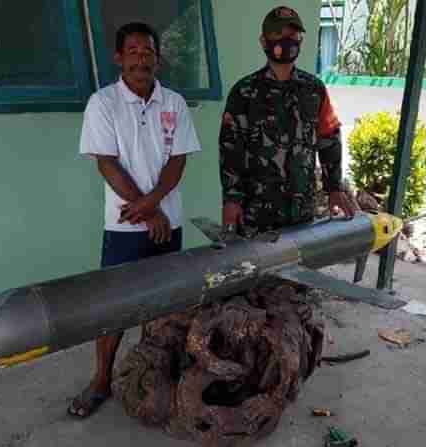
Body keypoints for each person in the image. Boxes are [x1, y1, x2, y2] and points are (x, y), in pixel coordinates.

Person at [70, 22, 201, 418]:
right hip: (123, 225)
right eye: (133, 51)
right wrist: (148, 211)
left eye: (147, 52)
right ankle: (101, 381)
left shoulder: (173, 103)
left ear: (156, 59)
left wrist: (155, 206)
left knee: (162, 304)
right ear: (119, 57)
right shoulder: (103, 103)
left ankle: (152, 374)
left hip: (167, 223)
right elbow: (106, 164)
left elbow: (177, 162)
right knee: (114, 307)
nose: (141, 58)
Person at [219, 6, 356, 236]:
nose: (287, 40)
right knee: (256, 271)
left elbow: (329, 138)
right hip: (255, 214)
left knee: (298, 271)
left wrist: (334, 188)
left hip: (301, 214)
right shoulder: (244, 92)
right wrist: (231, 199)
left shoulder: (314, 90)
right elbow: (230, 149)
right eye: (278, 34)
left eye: (293, 35)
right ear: (264, 41)